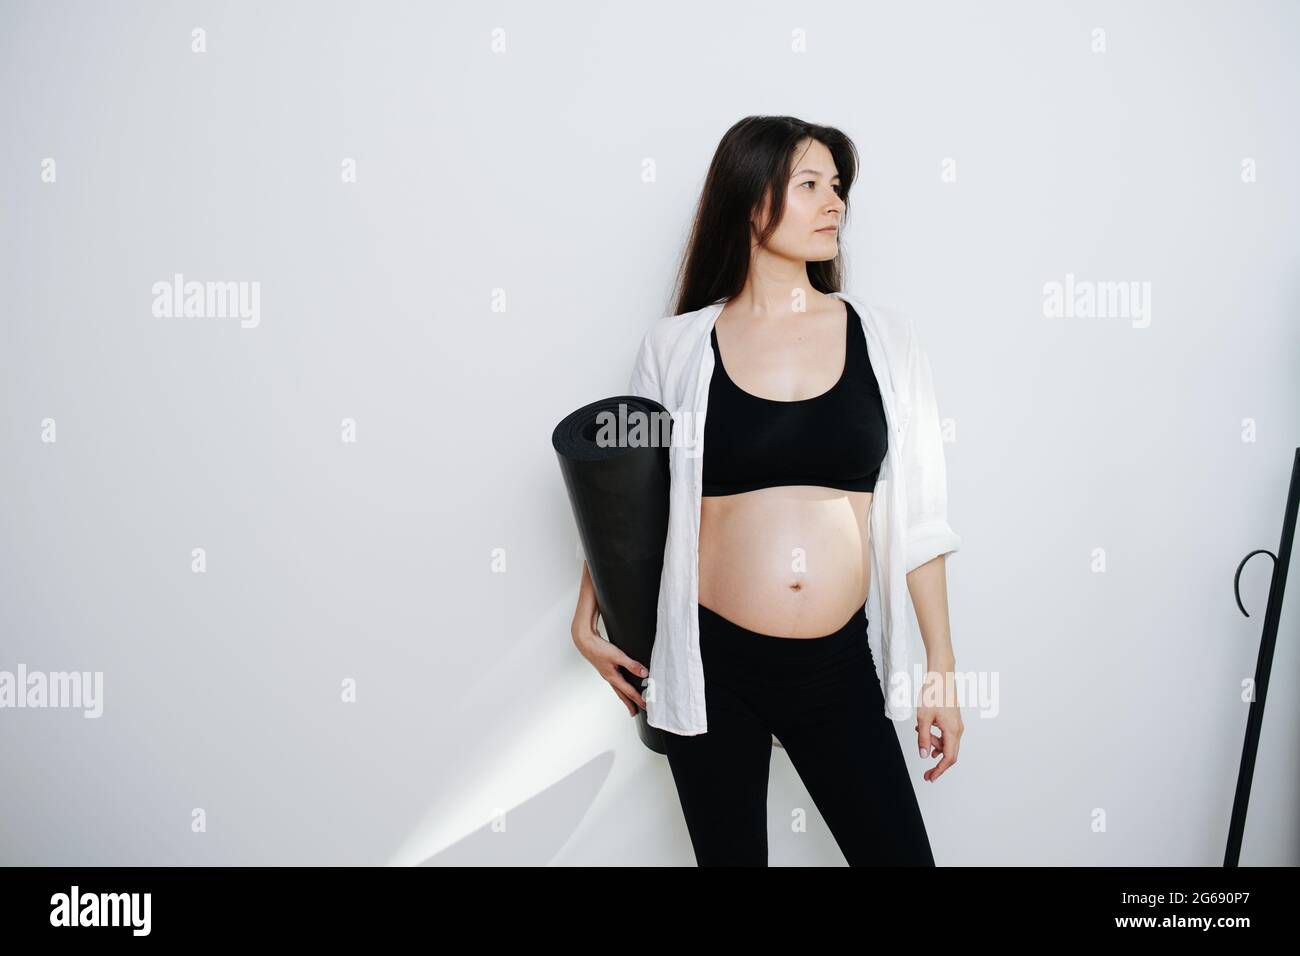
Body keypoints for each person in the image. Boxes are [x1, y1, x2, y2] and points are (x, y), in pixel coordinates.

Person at [571, 115, 962, 866]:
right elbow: (629, 499)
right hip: (711, 664)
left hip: (837, 668)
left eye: (838, 186)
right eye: (810, 185)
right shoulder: (677, 346)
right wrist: (587, 614)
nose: (835, 204)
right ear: (752, 203)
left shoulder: (886, 340)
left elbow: (923, 520)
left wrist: (941, 673)